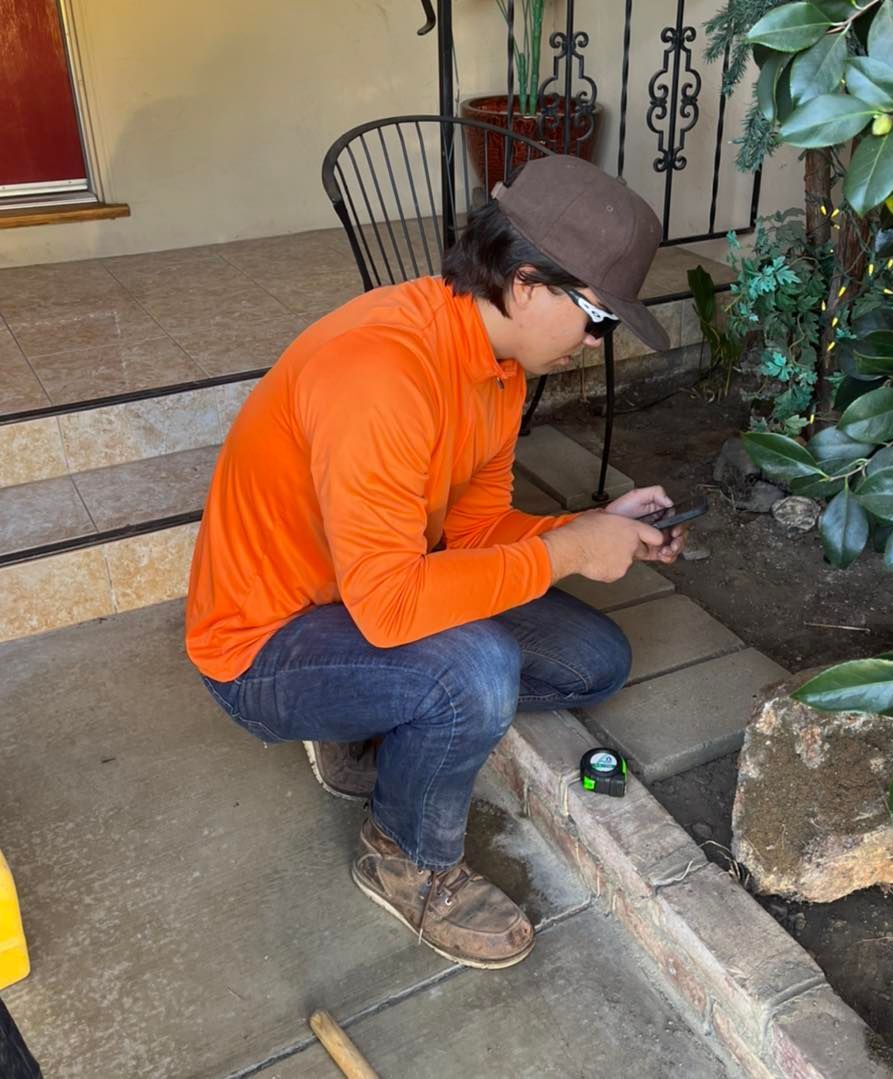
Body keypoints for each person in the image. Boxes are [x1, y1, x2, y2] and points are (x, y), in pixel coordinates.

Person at [185, 154, 685, 970]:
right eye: (598, 319)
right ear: (527, 284)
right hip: (263, 646)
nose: (599, 343)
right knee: (475, 673)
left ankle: (368, 717)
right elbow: (387, 607)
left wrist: (591, 527)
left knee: (595, 661)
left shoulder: (495, 366)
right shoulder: (382, 372)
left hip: (367, 588)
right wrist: (564, 552)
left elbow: (478, 529)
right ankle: (405, 855)